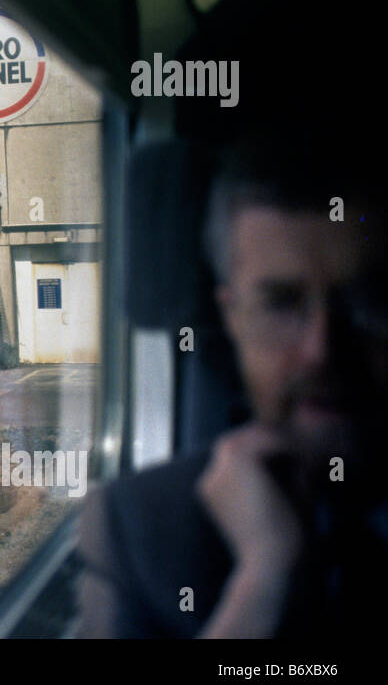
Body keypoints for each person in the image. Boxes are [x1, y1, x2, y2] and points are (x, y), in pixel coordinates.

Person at [76, 135, 388, 637]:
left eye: (369, 302)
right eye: (282, 303)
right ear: (231, 317)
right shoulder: (140, 529)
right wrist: (262, 579)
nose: (323, 350)